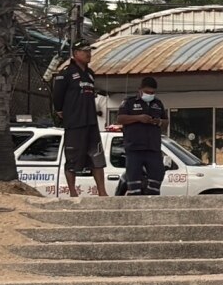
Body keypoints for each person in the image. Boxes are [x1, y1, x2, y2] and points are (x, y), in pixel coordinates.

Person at [51, 41, 108, 197]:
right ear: (75, 53)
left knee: (97, 157)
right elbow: (57, 96)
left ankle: (102, 192)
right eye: (84, 51)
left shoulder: (90, 73)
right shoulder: (66, 73)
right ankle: (72, 192)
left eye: (90, 50)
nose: (88, 54)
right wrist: (61, 111)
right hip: (75, 123)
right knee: (73, 159)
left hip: (91, 122)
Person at [116, 76, 167, 196]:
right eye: (147, 92)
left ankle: (151, 197)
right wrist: (139, 118)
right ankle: (135, 201)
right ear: (140, 90)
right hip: (134, 148)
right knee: (133, 179)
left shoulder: (158, 103)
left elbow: (166, 122)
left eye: (152, 92)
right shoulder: (129, 102)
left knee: (158, 174)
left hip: (153, 147)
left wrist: (158, 121)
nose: (150, 94)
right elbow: (120, 119)